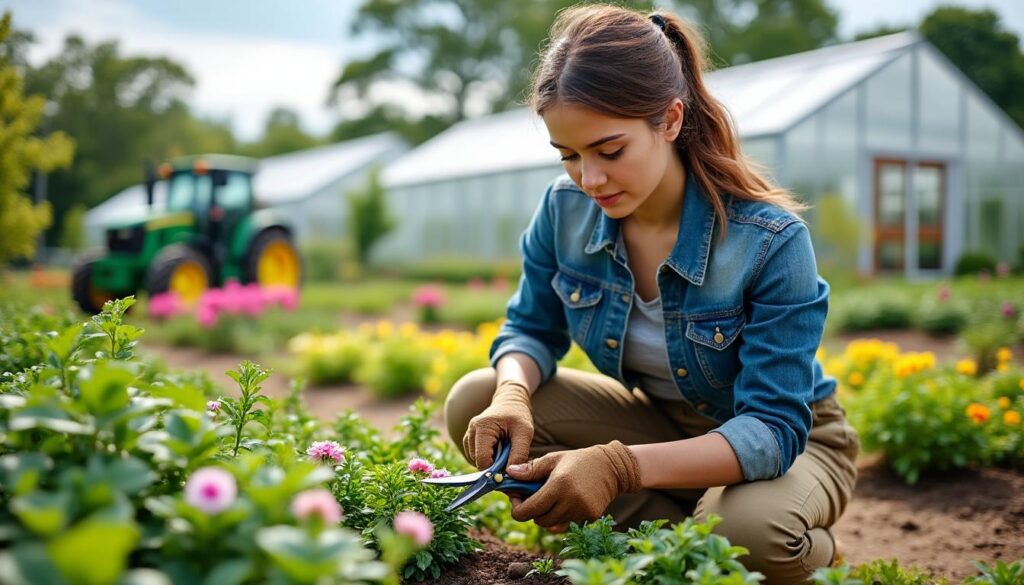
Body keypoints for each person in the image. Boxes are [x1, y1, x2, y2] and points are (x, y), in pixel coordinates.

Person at [444, 4, 859, 583]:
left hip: (788, 442)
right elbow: (532, 330)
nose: (589, 179)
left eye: (609, 151)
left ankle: (776, 541)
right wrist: (513, 393)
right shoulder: (562, 214)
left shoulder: (768, 240)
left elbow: (771, 428)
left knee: (745, 537)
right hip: (666, 430)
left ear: (669, 120)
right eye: (569, 155)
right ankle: (680, 539)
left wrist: (617, 468)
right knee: (476, 398)